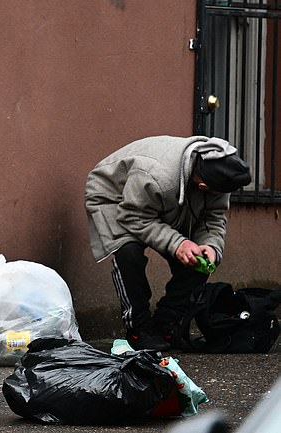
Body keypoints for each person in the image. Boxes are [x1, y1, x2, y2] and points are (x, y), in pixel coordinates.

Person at [84, 135, 251, 351]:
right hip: (117, 200)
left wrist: (211, 246)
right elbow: (133, 217)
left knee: (198, 260)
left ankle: (166, 323)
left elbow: (214, 217)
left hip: (168, 198)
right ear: (202, 185)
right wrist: (178, 243)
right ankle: (139, 328)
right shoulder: (157, 175)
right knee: (129, 253)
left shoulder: (219, 172)